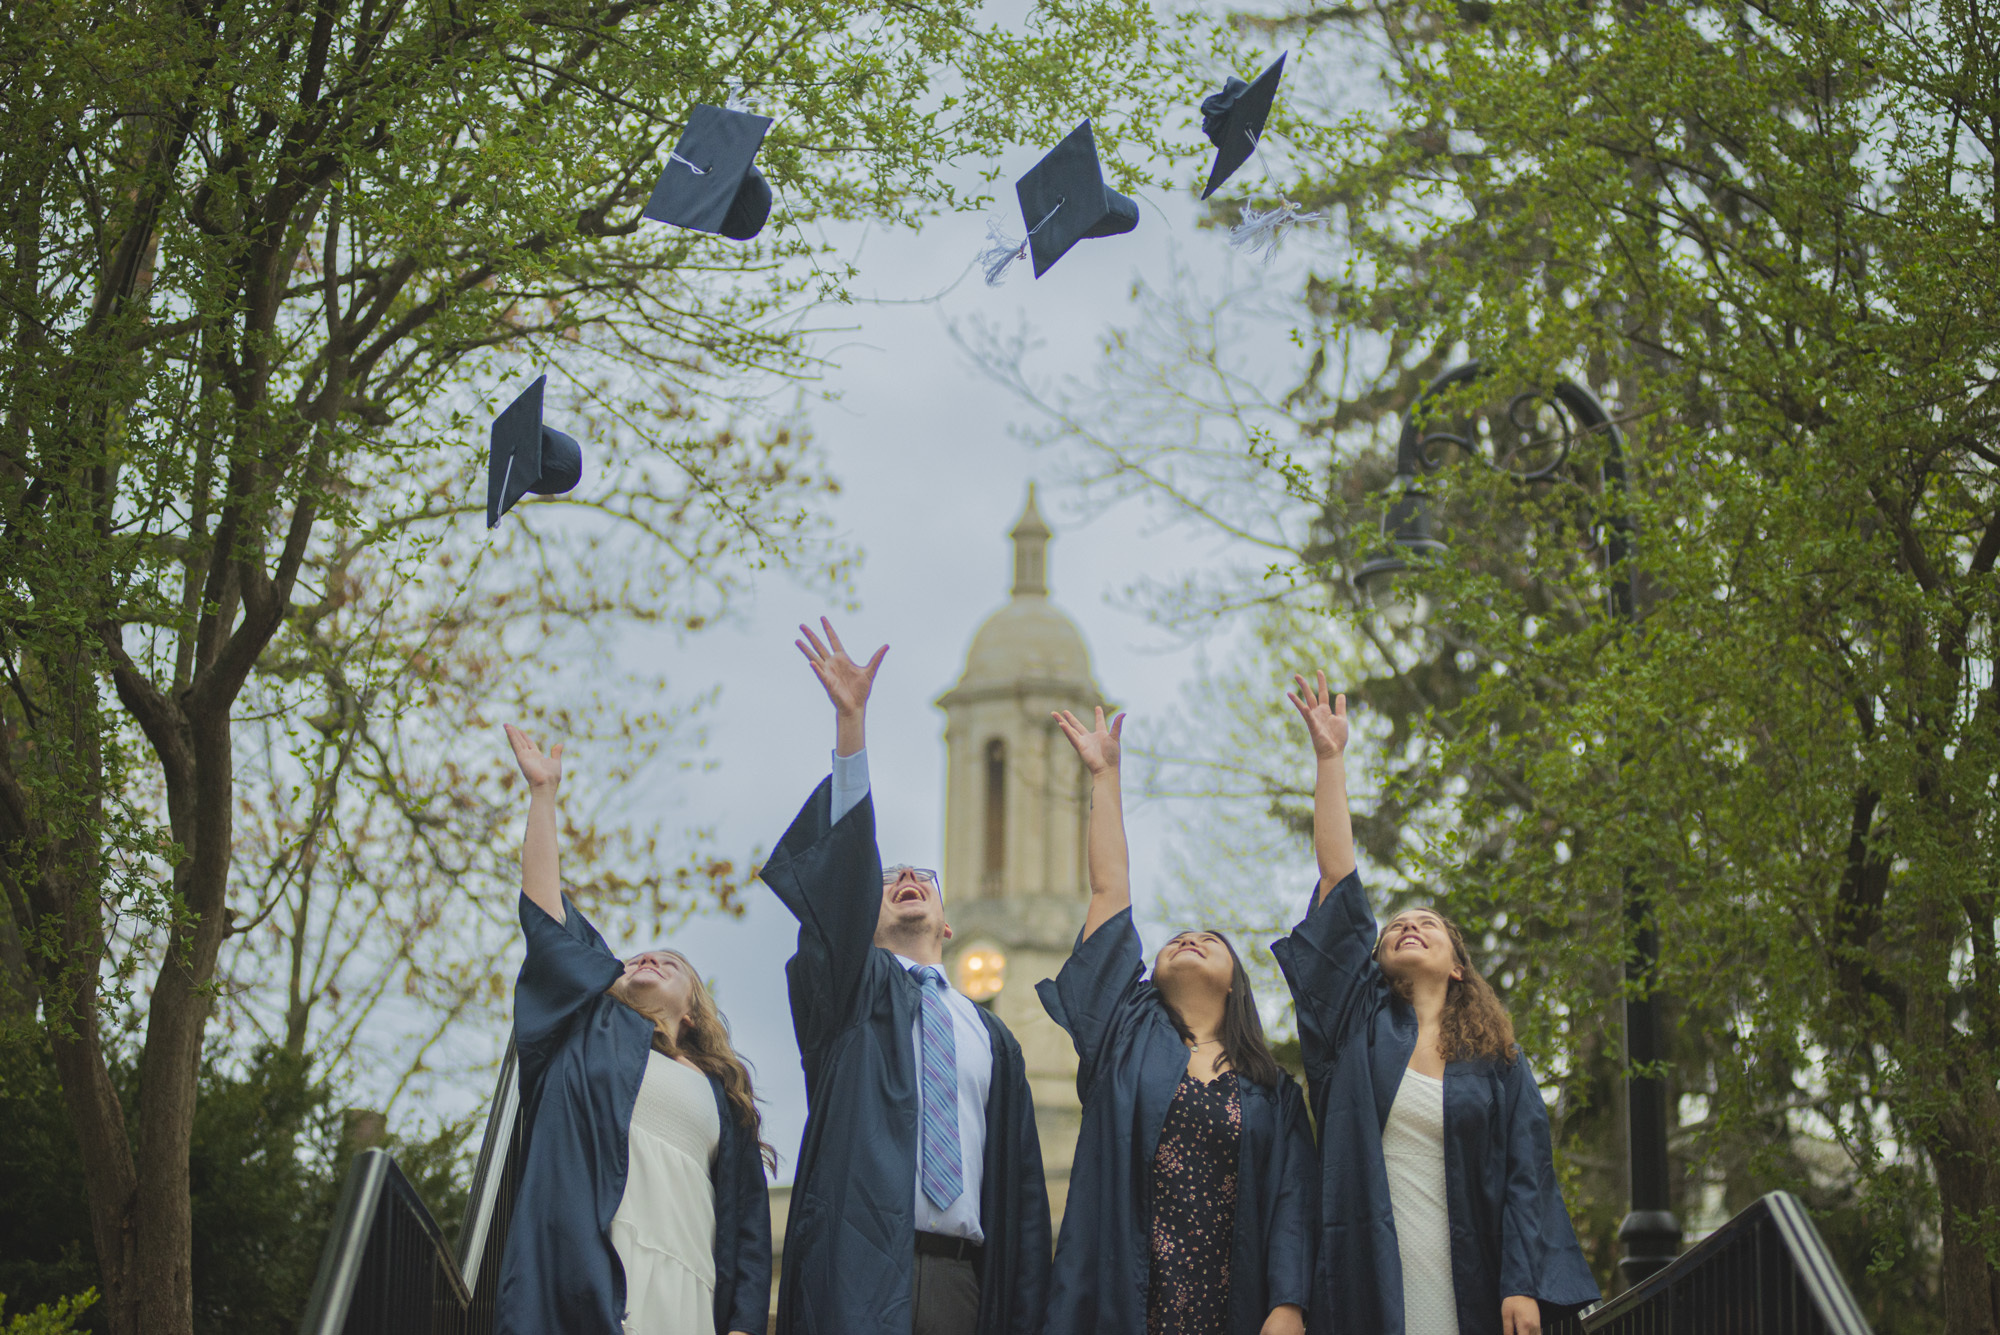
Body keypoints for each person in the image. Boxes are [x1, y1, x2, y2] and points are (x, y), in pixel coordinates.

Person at [1269, 675, 1600, 1335]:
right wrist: (1330, 761)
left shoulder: (1499, 1061)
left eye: (1429, 922)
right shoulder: (1353, 1028)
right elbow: (1339, 882)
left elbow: (1526, 1178)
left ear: (1457, 965)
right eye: (1396, 925)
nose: (1408, 925)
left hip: (1476, 1285)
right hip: (1368, 1278)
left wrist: (1523, 1283)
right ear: (1377, 958)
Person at [759, 618, 1051, 1335]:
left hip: (960, 1279)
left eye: (924, 876)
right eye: (890, 877)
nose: (910, 877)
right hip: (858, 1271)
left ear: (947, 924)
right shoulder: (850, 995)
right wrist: (851, 727)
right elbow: (837, 880)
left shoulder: (991, 1036)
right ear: (861, 912)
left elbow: (1018, 1189)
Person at [1038, 707, 1317, 1335]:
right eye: (1176, 938)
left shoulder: (1273, 1094)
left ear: (1235, 980)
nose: (1188, 939)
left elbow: (1294, 1202)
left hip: (1236, 1309)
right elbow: (1109, 894)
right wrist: (1105, 778)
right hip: (1122, 1304)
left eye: (1208, 940)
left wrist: (1289, 1302)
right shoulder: (1123, 1035)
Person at [495, 724, 772, 1335]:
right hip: (584, 1263)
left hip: (688, 1276)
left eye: (669, 963)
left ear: (692, 1012)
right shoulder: (584, 1023)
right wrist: (544, 795)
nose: (648, 959)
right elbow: (545, 915)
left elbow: (749, 1224)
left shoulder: (723, 1095)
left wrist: (745, 1325)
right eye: (637, 957)